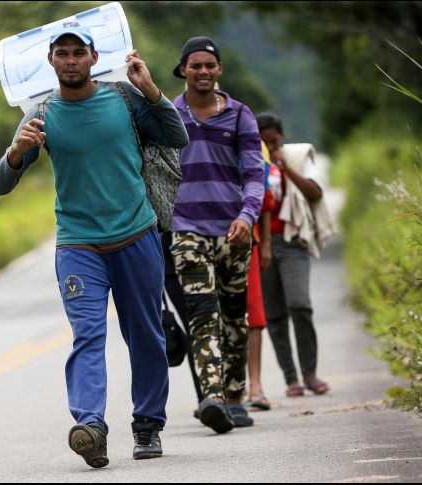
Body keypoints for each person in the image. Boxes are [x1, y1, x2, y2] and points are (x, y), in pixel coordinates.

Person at [0, 22, 189, 468]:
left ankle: (148, 424)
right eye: (62, 53)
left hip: (136, 235)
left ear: (95, 58)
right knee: (87, 335)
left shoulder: (124, 98)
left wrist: (151, 90)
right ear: (50, 61)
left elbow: (178, 137)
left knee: (145, 333)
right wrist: (16, 152)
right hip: (78, 246)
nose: (71, 60)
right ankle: (91, 427)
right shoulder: (41, 114)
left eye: (79, 52)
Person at [169, 36, 265, 434]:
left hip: (234, 233)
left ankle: (235, 395)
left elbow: (256, 174)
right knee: (202, 313)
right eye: (196, 65)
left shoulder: (241, 116)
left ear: (219, 70)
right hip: (187, 229)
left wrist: (248, 215)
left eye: (210, 65)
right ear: (183, 70)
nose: (203, 71)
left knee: (234, 317)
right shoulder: (169, 114)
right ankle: (212, 397)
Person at [256, 112, 330, 397]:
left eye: (274, 142)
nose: (270, 148)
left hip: (292, 242)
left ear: (282, 138)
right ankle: (291, 379)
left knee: (300, 305)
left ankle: (310, 374)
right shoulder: (249, 160)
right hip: (261, 245)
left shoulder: (297, 158)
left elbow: (315, 193)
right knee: (274, 315)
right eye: (264, 143)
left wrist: (285, 169)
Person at [245, 142, 274, 411]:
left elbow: (264, 198)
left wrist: (265, 243)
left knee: (254, 314)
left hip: (248, 238)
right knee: (216, 313)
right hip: (205, 235)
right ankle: (229, 388)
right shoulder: (191, 127)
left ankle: (255, 384)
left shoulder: (254, 141)